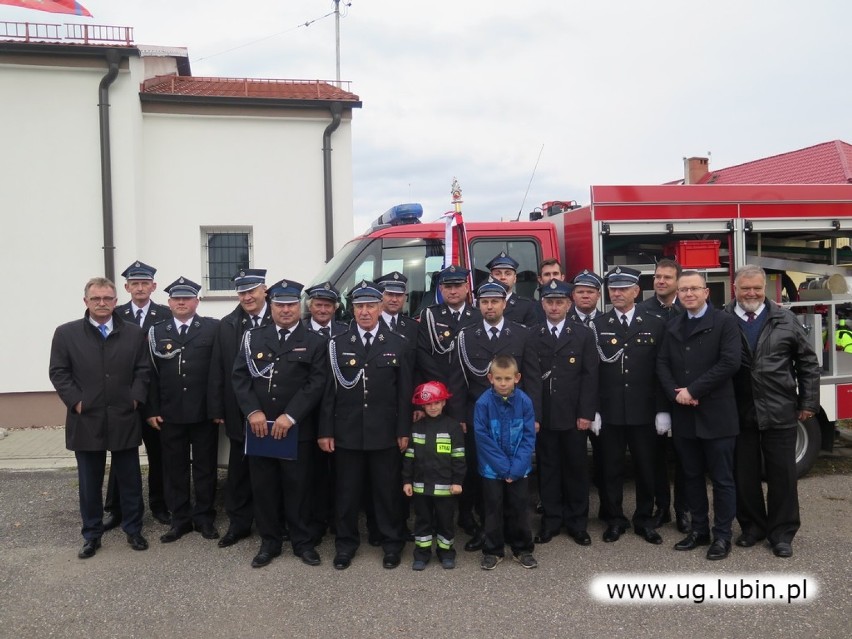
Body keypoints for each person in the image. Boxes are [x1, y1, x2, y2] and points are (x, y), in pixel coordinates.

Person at [49, 277, 151, 559]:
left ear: (116, 301)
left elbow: (144, 370)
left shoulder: (133, 333)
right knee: (89, 482)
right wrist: (77, 402)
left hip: (123, 416)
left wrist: (135, 398)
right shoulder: (66, 334)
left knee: (130, 479)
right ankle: (92, 535)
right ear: (86, 302)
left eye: (107, 298)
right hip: (87, 419)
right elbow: (59, 372)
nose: (102, 303)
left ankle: (133, 529)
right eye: (96, 299)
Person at [318, 280, 414, 571]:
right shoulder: (336, 345)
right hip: (347, 433)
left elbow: (404, 393)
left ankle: (391, 543)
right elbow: (328, 392)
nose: (364, 312)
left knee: (387, 493)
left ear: (381, 306)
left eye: (370, 306)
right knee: (346, 494)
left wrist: (403, 430)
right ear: (352, 309)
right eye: (359, 306)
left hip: (385, 433)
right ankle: (346, 545)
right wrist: (325, 430)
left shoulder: (398, 343)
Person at [725, 265, 820, 558]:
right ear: (734, 289)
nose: (751, 293)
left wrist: (808, 403)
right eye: (745, 288)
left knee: (783, 476)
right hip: (739, 411)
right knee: (745, 476)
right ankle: (753, 528)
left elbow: (807, 363)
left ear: (764, 288)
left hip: (779, 409)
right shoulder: (722, 319)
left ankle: (782, 534)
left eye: (756, 288)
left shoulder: (785, 318)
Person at [233, 279, 328, 568]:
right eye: (279, 305)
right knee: (264, 488)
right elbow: (239, 378)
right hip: (261, 428)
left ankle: (302, 542)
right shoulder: (253, 338)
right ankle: (269, 543)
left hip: (295, 429)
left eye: (290, 305)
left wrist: (291, 415)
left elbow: (317, 382)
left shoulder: (315, 341)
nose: (285, 310)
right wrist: (253, 412)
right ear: (270, 306)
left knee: (298, 487)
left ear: (298, 307)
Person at [656, 270, 742, 560]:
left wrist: (692, 390)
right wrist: (675, 393)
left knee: (722, 479)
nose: (689, 294)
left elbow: (730, 362)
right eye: (684, 290)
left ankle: (722, 536)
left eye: (694, 289)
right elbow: (662, 364)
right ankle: (699, 530)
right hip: (684, 414)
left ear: (707, 292)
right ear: (678, 294)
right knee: (690, 476)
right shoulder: (673, 325)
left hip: (716, 413)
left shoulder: (725, 322)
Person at [452, 279, 542, 552]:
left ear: (504, 303)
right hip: (479, 418)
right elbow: (457, 380)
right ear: (477, 304)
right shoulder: (466, 335)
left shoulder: (522, 334)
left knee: (515, 477)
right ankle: (485, 530)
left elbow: (533, 379)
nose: (489, 306)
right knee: (483, 478)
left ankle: (514, 531)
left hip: (515, 417)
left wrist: (535, 416)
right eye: (484, 302)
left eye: (494, 301)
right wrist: (459, 417)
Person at [591, 266, 667, 545]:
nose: (617, 293)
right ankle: (614, 519)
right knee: (610, 469)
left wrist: (662, 409)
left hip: (644, 411)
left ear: (636, 291)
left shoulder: (655, 323)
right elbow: (593, 372)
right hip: (610, 411)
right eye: (613, 289)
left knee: (646, 468)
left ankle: (644, 519)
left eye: (623, 288)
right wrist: (593, 409)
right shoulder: (598, 325)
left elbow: (661, 370)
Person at [146, 277, 220, 544]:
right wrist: (152, 409)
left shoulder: (212, 328)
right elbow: (150, 374)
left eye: (186, 298)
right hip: (170, 413)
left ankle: (204, 518)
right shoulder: (157, 331)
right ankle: (180, 520)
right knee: (174, 469)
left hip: (203, 414)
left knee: (205, 468)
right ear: (169, 303)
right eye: (176, 298)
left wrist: (217, 408)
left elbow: (217, 373)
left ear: (196, 301)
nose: (181, 302)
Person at [104, 260, 171, 531]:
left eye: (145, 283)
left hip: (155, 398)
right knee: (121, 454)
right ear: (127, 287)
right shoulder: (115, 314)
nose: (140, 288)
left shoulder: (166, 314)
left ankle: (159, 504)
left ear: (153, 286)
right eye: (135, 283)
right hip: (125, 399)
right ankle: (115, 508)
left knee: (159, 456)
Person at [530, 279, 598, 546]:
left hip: (573, 417)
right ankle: (551, 521)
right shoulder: (532, 335)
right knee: (547, 470)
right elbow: (531, 381)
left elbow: (589, 377)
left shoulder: (582, 334)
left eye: (559, 302)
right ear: (542, 304)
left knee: (576, 470)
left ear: (569, 304)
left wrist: (586, 413)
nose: (555, 307)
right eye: (550, 302)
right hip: (545, 417)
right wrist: (534, 416)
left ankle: (577, 523)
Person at [209, 268, 271, 548]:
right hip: (238, 410)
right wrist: (217, 408)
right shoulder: (228, 324)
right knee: (239, 472)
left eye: (252, 291)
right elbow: (218, 369)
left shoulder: (281, 315)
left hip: (272, 410)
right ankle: (239, 524)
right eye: (242, 292)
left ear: (264, 290)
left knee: (270, 470)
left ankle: (271, 522)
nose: (247, 297)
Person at [638, 258, 690, 535]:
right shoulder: (643, 310)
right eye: (657, 277)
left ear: (678, 282)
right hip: (651, 397)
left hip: (683, 396)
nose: (660, 281)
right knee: (654, 459)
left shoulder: (689, 309)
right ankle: (662, 508)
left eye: (667, 278)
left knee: (684, 459)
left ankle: (684, 511)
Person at [474, 355, 537, 570]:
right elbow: (483, 439)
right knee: (493, 509)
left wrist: (517, 468)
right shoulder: (483, 403)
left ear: (517, 378)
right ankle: (493, 549)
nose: (503, 383)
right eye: (498, 378)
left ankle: (522, 548)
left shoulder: (525, 402)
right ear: (490, 378)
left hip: (519, 469)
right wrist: (503, 468)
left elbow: (529, 437)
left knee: (519, 508)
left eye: (507, 378)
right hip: (492, 470)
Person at [402, 381, 466, 570]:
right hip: (421, 488)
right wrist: (407, 480)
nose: (433, 407)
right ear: (423, 405)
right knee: (422, 523)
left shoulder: (453, 427)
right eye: (428, 404)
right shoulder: (416, 428)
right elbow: (409, 457)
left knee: (446, 523)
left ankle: (446, 553)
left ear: (444, 403)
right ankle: (421, 554)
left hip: (446, 489)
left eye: (437, 402)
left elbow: (459, 458)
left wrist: (457, 482)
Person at [303, 281, 348, 542]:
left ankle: (337, 518)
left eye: (327, 305)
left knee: (340, 471)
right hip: (310, 411)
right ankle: (316, 520)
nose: (322, 309)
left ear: (335, 308)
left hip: (341, 411)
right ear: (310, 306)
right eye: (318, 305)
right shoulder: (300, 332)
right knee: (313, 471)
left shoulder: (345, 331)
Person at [416, 265, 481, 423]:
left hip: (470, 394)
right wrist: (444, 386)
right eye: (448, 287)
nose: (453, 291)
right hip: (438, 395)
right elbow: (424, 354)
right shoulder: (430, 315)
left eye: (458, 286)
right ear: (440, 288)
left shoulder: (479, 316)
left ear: (466, 287)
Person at [485, 251, 538, 326]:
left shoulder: (526, 306)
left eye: (508, 274)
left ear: (515, 278)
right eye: (498, 274)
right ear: (491, 277)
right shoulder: (480, 305)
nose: (503, 277)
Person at [376, 271, 419, 347]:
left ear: (404, 298)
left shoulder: (413, 327)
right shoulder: (370, 323)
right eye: (389, 294)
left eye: (399, 295)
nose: (394, 299)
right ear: (380, 296)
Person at [533, 259, 566, 323]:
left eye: (555, 274)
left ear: (562, 278)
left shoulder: (573, 308)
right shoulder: (531, 309)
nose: (551, 278)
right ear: (540, 280)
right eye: (547, 274)